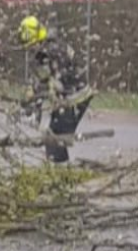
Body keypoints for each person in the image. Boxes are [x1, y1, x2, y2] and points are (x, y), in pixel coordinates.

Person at [17, 15, 92, 163]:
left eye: (32, 46)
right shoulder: (50, 47)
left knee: (55, 137)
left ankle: (59, 169)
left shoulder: (51, 51)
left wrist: (34, 102)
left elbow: (51, 81)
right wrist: (31, 100)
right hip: (70, 96)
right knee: (55, 136)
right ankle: (60, 166)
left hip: (75, 97)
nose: (31, 50)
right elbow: (43, 80)